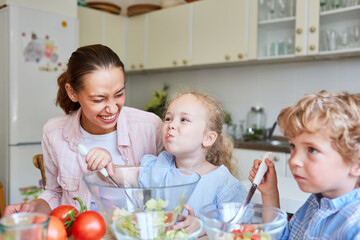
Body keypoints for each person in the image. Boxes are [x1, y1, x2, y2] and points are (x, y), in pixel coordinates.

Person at [4, 44, 163, 215]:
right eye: (98, 99)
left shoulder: (150, 126)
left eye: (119, 94)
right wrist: (34, 208)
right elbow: (55, 192)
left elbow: (169, 181)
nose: (112, 108)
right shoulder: (54, 132)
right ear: (72, 92)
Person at [249, 90, 360, 239]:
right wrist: (269, 193)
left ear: (356, 164)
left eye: (312, 149)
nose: (294, 160)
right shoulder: (316, 201)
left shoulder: (355, 224)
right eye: (293, 146)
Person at [139, 91, 247, 224]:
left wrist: (202, 228)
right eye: (168, 118)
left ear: (208, 138)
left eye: (184, 120)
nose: (171, 125)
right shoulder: (161, 166)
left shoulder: (224, 185)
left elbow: (238, 231)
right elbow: (124, 176)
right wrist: (106, 157)